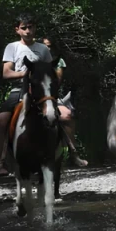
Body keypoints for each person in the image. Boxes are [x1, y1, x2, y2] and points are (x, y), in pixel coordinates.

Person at [0, 13, 53, 176]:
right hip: (18, 89)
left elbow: (49, 71)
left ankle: (71, 153)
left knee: (64, 115)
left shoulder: (43, 49)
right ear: (17, 30)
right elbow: (6, 73)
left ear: (35, 28)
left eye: (30, 27)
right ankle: (1, 162)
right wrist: (25, 74)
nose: (28, 30)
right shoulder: (12, 47)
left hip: (41, 90)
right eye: (24, 28)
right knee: (0, 121)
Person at [41, 36, 88, 168]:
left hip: (53, 97)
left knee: (66, 115)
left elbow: (57, 82)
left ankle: (73, 153)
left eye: (49, 46)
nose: (47, 49)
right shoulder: (35, 60)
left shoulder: (59, 62)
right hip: (36, 97)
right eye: (44, 46)